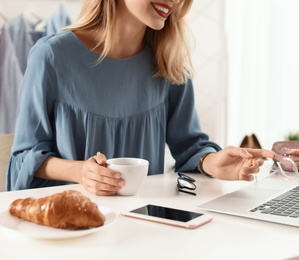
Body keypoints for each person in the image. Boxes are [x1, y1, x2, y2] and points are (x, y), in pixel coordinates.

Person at [7, 0, 275, 196]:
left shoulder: (169, 63)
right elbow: (24, 158)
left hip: (143, 231)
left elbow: (191, 147)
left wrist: (214, 163)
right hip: (72, 233)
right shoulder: (52, 57)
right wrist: (81, 172)